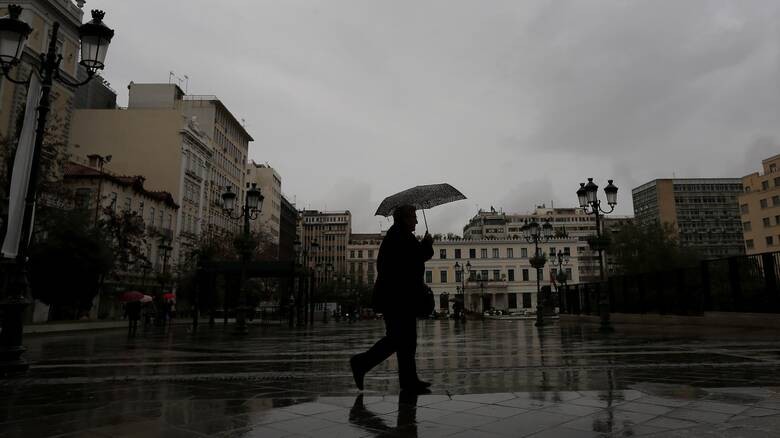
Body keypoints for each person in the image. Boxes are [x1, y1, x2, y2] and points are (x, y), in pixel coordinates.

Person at [350, 205, 433, 393]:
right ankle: (361, 363)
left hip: (401, 298)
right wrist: (427, 244)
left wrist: (425, 246)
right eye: (413, 217)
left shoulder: (401, 236)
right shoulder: (398, 237)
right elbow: (413, 260)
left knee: (408, 341)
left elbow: (414, 259)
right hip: (396, 299)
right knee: (396, 339)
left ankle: (409, 381)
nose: (417, 221)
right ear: (403, 218)